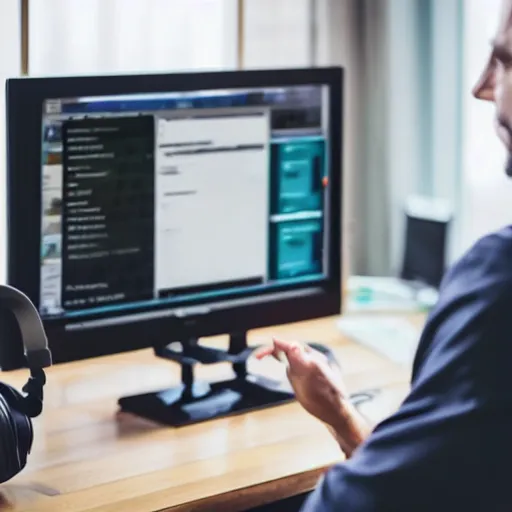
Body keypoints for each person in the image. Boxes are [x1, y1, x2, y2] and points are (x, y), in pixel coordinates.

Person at [257, 1, 512, 510]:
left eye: (505, 61)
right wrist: (342, 416)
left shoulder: (501, 282)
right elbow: (438, 490)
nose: (481, 86)